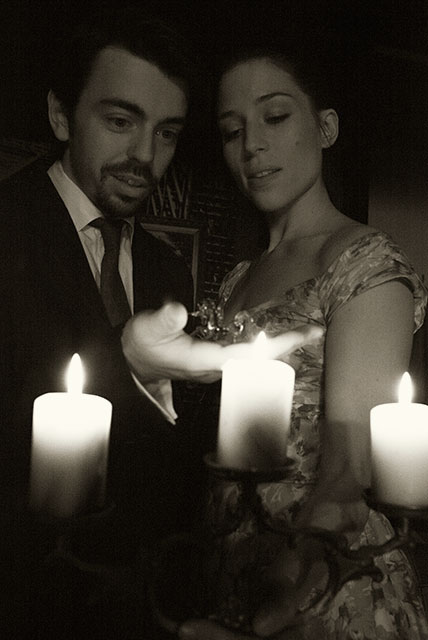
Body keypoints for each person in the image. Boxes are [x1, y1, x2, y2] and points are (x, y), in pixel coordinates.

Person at [122, 41, 428, 640]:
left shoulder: (362, 260)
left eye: (276, 116)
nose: (252, 146)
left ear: (326, 127)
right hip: (228, 558)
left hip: (323, 576)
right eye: (232, 130)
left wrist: (298, 577)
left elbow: (349, 465)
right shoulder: (238, 277)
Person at [0, 7, 197, 639]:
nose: (144, 156)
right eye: (120, 122)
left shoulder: (170, 270)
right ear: (61, 115)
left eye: (167, 133)